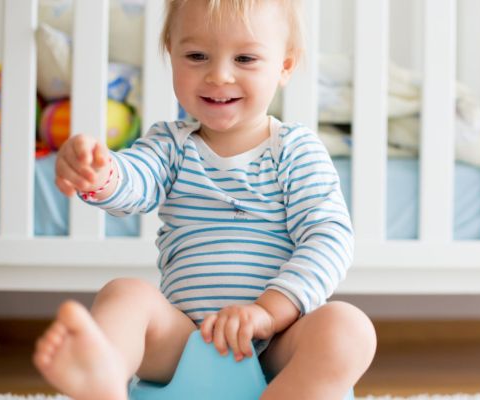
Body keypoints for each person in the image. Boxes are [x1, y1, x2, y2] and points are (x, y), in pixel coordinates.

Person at [32, 1, 377, 399]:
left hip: (276, 345)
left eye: (245, 58)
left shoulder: (295, 150)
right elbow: (134, 182)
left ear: (284, 66)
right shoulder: (170, 145)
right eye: (196, 56)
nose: (219, 75)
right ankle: (103, 375)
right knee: (124, 293)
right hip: (184, 342)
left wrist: (268, 312)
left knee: (349, 328)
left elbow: (328, 238)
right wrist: (100, 171)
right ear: (171, 54)